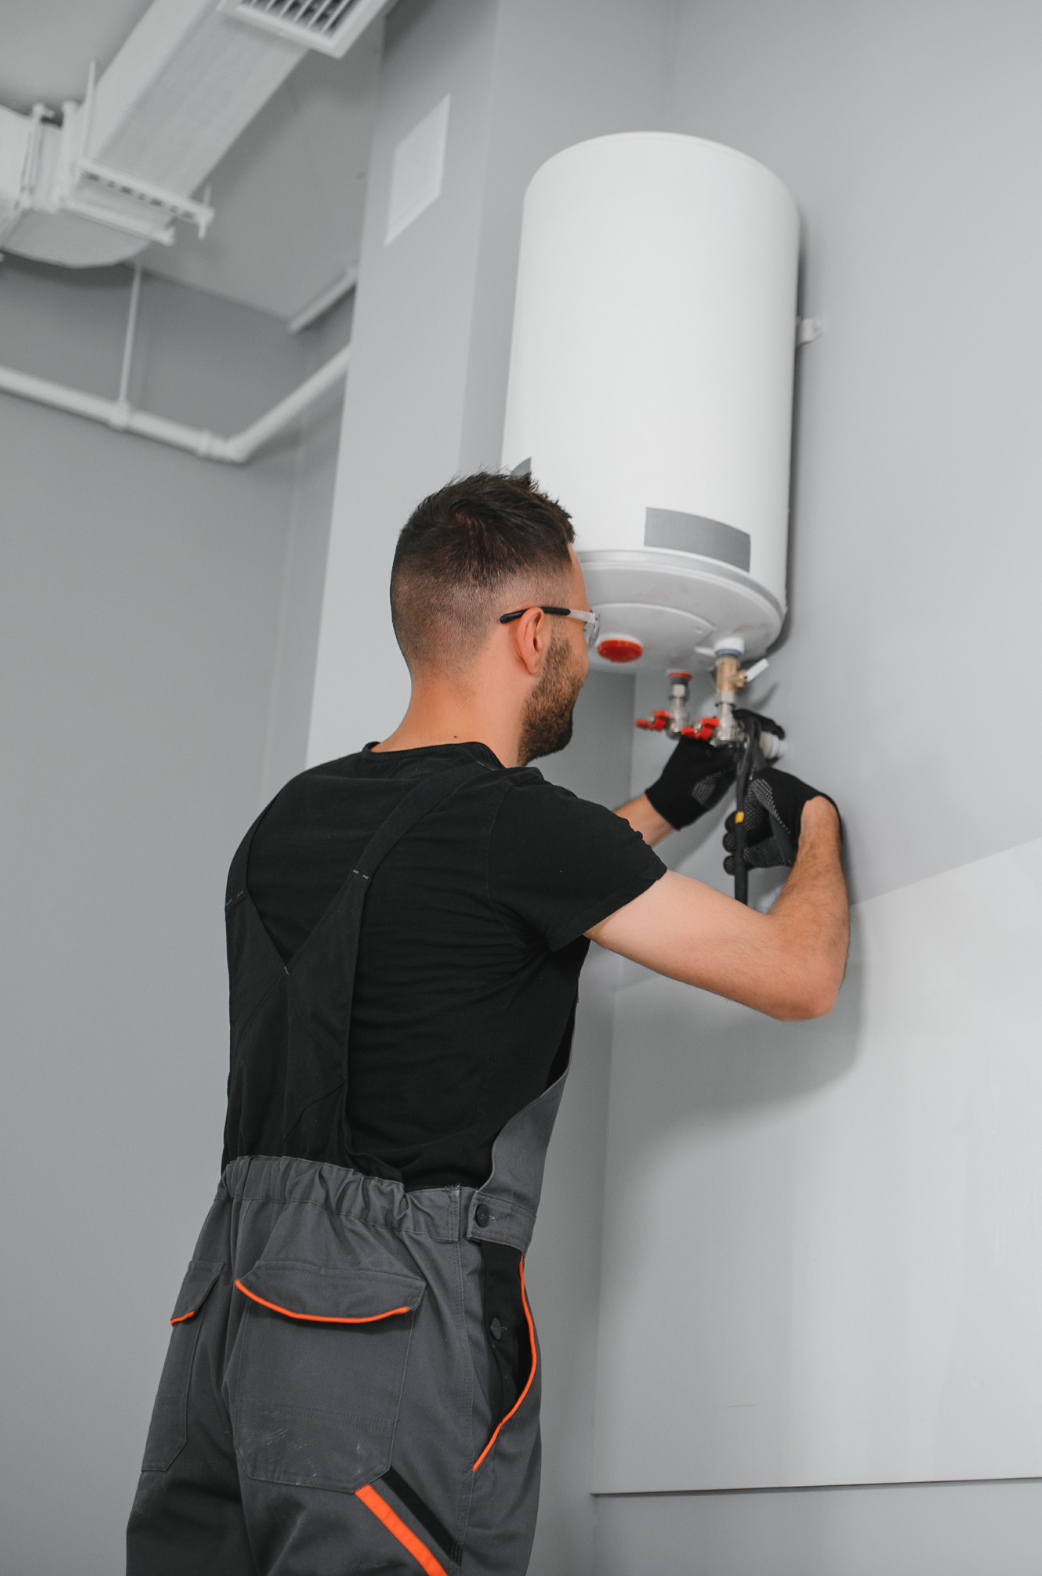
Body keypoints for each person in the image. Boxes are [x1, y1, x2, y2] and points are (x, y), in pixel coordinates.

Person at [126, 471, 848, 1576]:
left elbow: (469, 903)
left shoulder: (290, 818)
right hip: (382, 1326)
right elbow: (799, 974)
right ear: (528, 633)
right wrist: (817, 825)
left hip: (227, 1309)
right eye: (580, 622)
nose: (583, 644)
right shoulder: (517, 826)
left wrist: (664, 803)